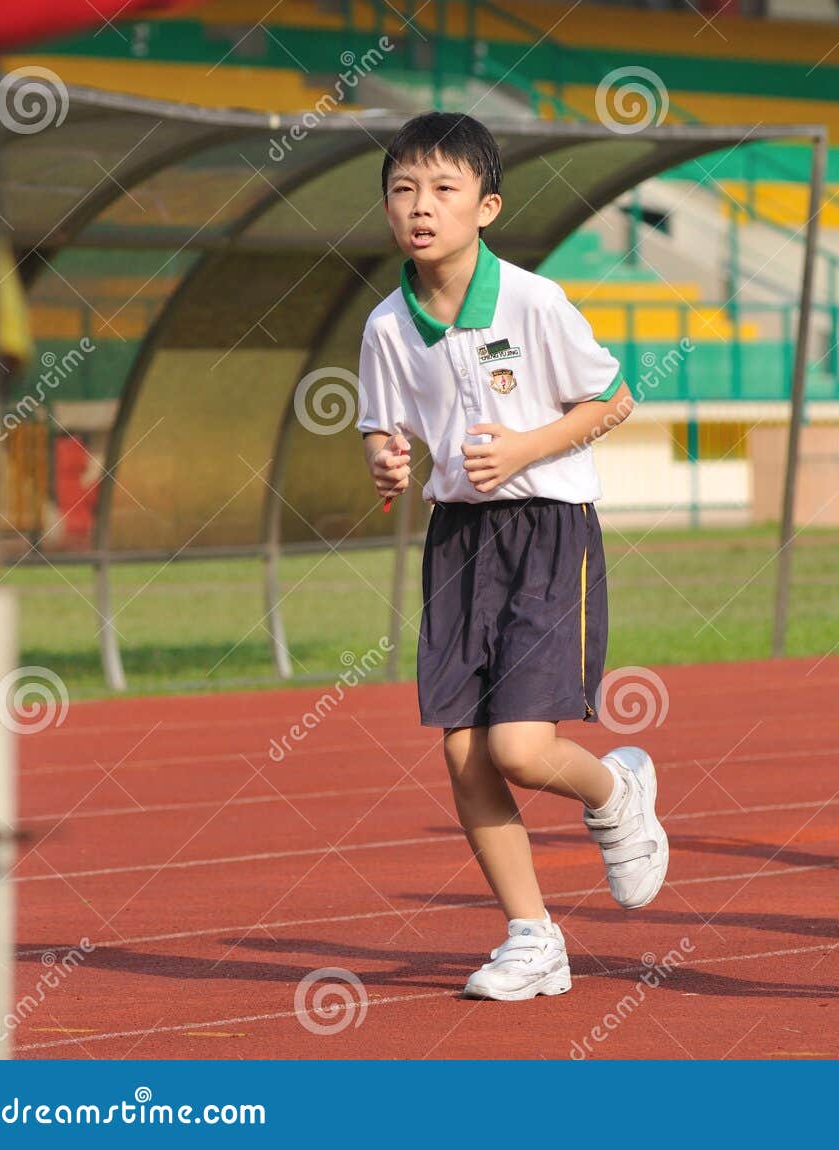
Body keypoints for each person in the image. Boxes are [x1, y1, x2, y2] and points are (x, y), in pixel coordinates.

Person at [357, 112, 668, 1001]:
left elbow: (613, 398)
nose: (421, 208)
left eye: (444, 190)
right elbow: (387, 423)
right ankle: (532, 937)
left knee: (523, 749)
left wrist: (527, 447)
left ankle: (616, 793)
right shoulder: (387, 325)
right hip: (458, 543)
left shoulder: (533, 301)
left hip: (547, 531)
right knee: (465, 757)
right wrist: (384, 456)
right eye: (404, 190)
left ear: (486, 206)